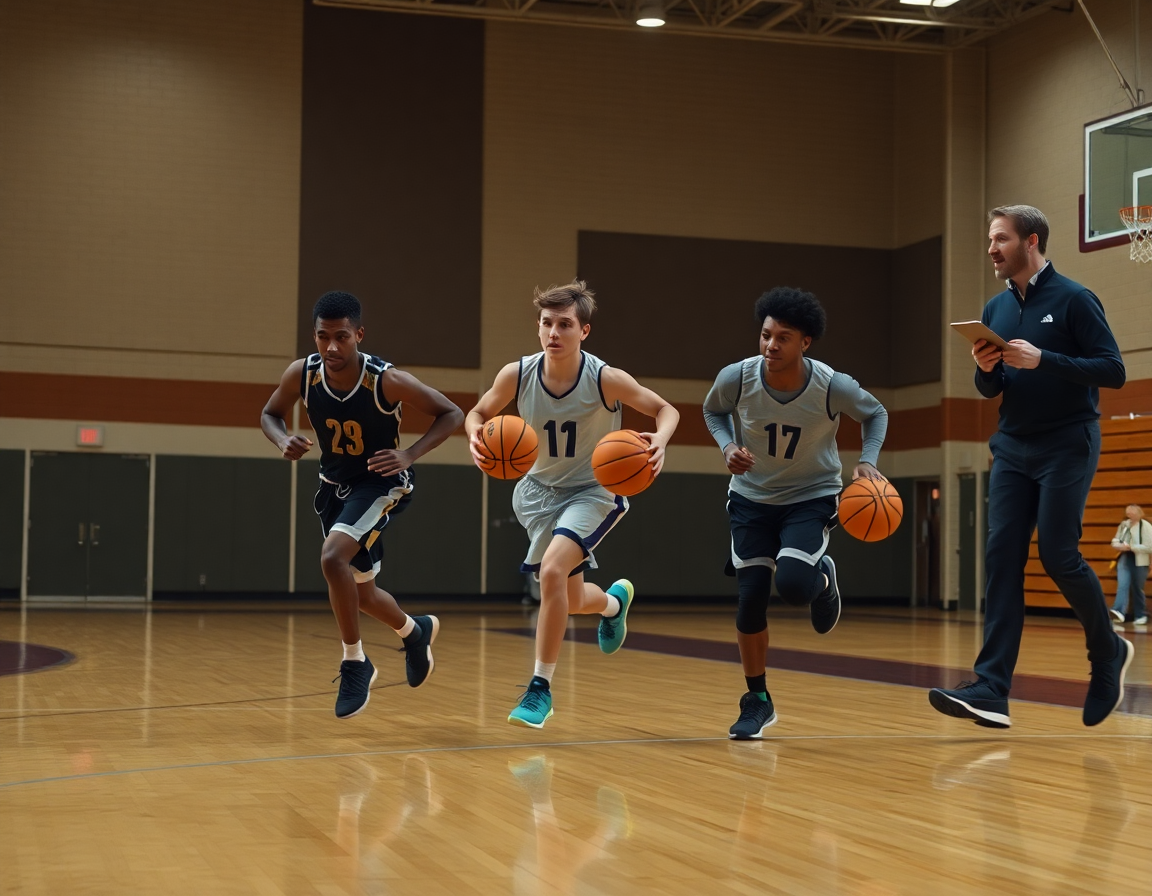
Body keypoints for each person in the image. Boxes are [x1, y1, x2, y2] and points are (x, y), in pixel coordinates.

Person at [929, 205, 1131, 729]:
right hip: (1013, 446)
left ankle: (1106, 650)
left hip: (1068, 442)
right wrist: (986, 371)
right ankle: (992, 688)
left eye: (1000, 239)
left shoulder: (1074, 298)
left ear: (1031, 241)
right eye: (990, 240)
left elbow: (1113, 370)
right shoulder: (994, 308)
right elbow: (993, 389)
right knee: (1001, 560)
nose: (992, 248)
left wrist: (1044, 359)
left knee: (1058, 554)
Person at [465, 281, 679, 728]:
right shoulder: (517, 374)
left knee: (551, 574)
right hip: (538, 493)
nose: (554, 332)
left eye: (565, 324)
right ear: (538, 328)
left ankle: (539, 689)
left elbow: (666, 410)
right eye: (547, 323)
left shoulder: (604, 379)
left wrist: (658, 439)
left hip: (594, 490)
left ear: (584, 331)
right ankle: (614, 605)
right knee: (572, 595)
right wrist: (474, 434)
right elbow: (479, 413)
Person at [261, 291, 464, 719]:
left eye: (341, 337)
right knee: (363, 593)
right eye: (322, 337)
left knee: (333, 558)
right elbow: (270, 413)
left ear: (359, 335)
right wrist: (282, 439)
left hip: (381, 482)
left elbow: (451, 413)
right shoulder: (302, 374)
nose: (331, 347)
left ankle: (355, 661)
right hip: (333, 488)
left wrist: (409, 454)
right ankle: (415, 632)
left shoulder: (386, 380)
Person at [703, 286, 889, 740]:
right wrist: (728, 447)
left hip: (811, 495)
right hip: (750, 498)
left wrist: (868, 460)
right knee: (750, 600)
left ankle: (821, 576)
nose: (770, 345)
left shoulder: (831, 385)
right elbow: (713, 412)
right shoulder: (738, 377)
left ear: (806, 342)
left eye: (783, 337)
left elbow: (876, 413)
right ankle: (757, 700)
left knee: (792, 586)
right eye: (766, 335)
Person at [1108, 504, 1151, 626]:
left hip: (1140, 559)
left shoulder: (1146, 526)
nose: (1129, 516)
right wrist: (1117, 545)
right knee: (1123, 584)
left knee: (1137, 588)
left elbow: (1150, 546)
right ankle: (1118, 611)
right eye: (1128, 514)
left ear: (1139, 513)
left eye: (1132, 513)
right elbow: (1116, 539)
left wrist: (1132, 547)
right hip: (1125, 558)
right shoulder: (1124, 525)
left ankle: (1140, 614)